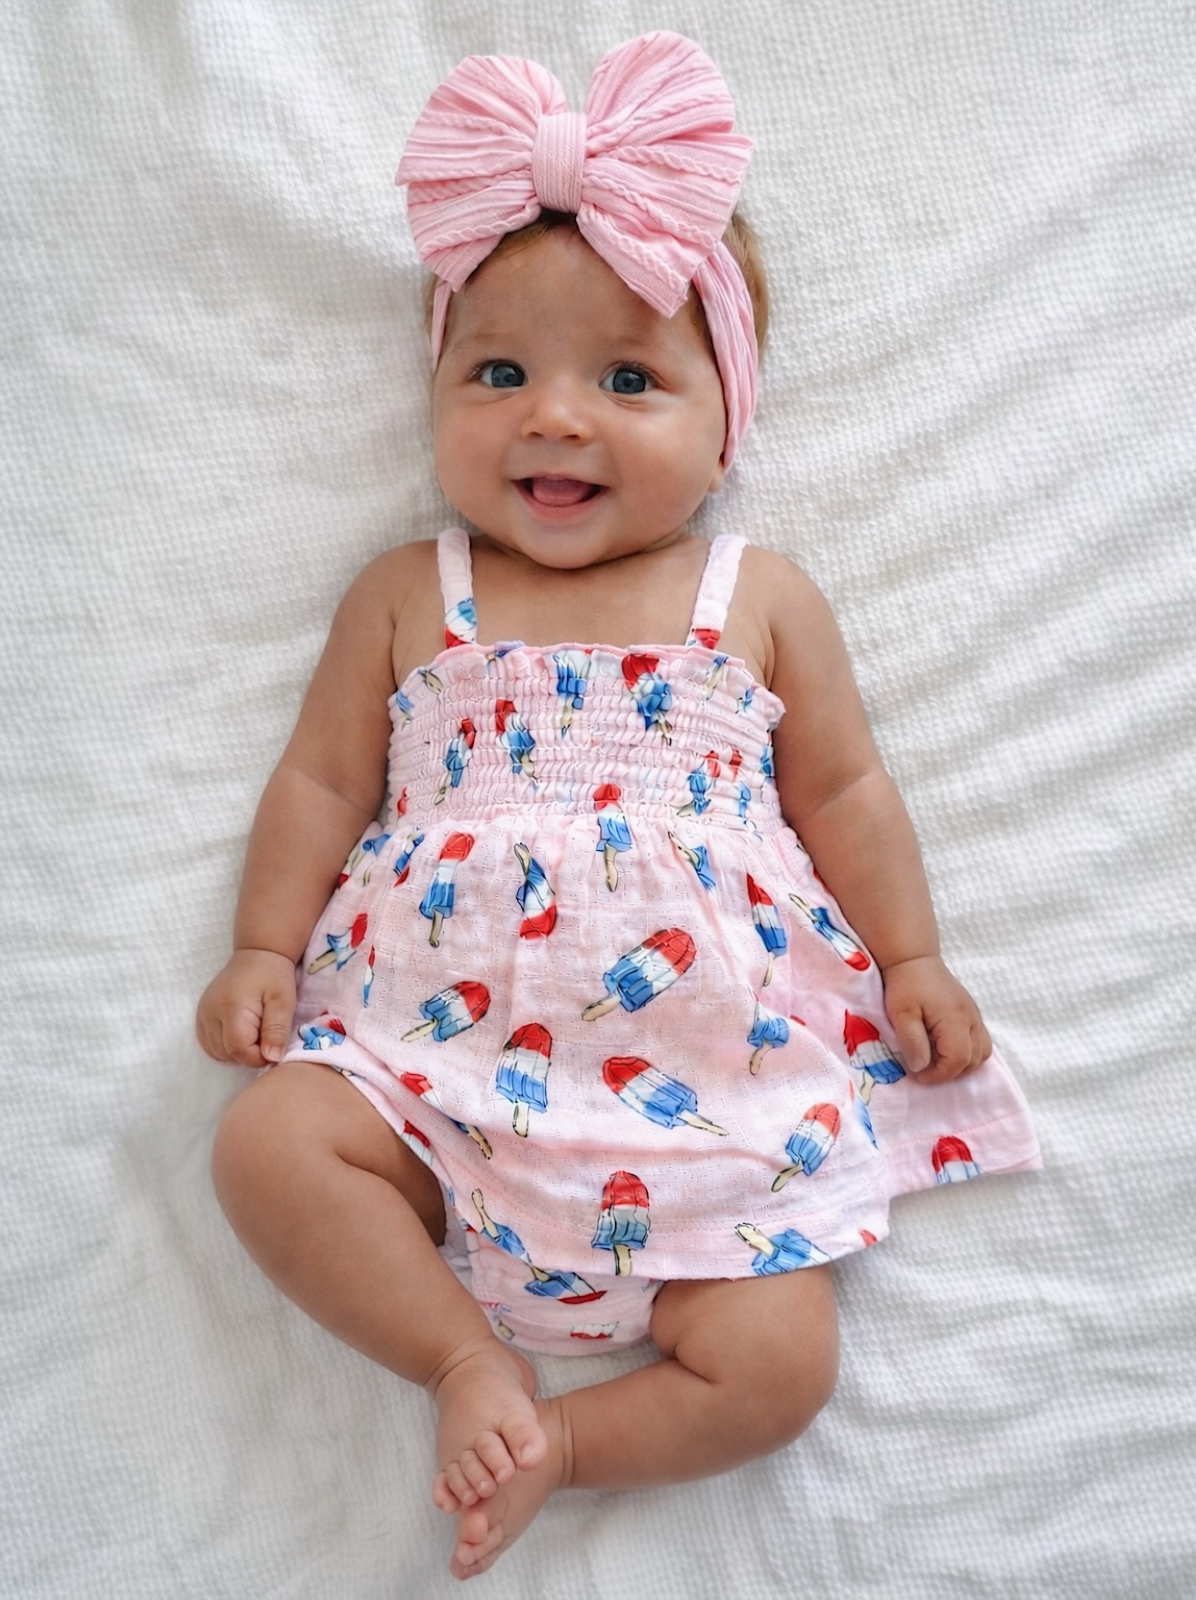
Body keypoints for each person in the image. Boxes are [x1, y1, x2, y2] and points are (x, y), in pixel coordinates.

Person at [197, 32, 1039, 1581]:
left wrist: (914, 961)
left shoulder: (753, 599)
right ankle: (464, 1359)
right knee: (264, 1150)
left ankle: (566, 1443)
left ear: (731, 418)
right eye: (498, 372)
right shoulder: (411, 593)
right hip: (430, 1081)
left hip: (703, 1104)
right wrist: (262, 946)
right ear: (438, 389)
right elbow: (322, 777)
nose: (555, 418)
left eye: (629, 378)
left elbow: (846, 789)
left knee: (782, 1362)